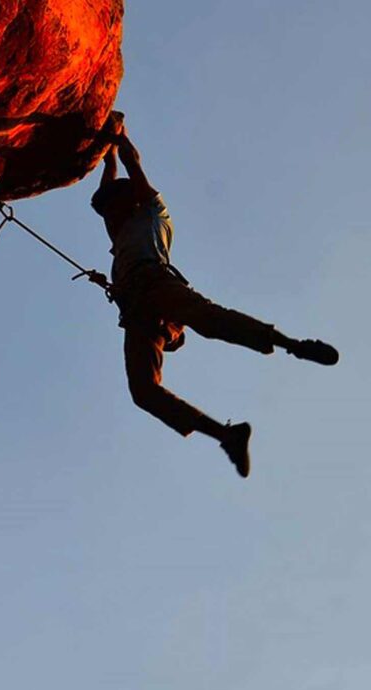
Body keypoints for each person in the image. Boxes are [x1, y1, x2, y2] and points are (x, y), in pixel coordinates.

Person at [93, 113, 338, 477]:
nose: (108, 216)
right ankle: (226, 435)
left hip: (156, 284)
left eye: (113, 207)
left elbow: (132, 165)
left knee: (209, 320)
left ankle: (292, 344)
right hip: (137, 310)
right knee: (143, 391)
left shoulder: (152, 212)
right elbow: (110, 183)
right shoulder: (121, 227)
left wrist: (119, 137)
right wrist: (106, 153)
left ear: (128, 202)